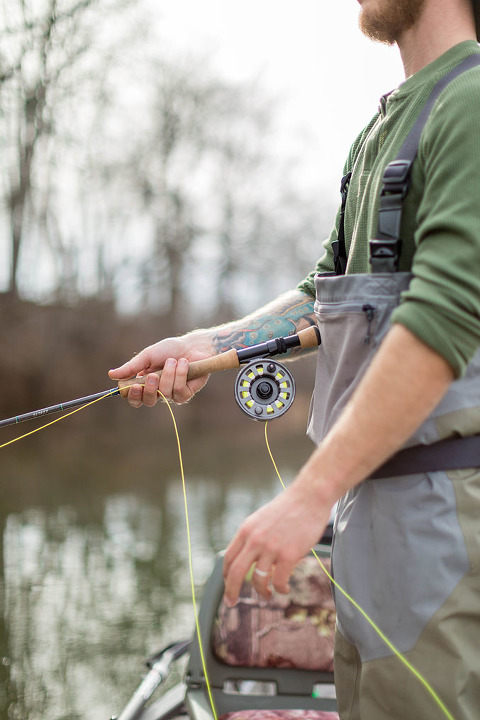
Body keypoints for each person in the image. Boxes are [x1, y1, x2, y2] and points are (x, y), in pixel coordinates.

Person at [109, 1, 480, 717]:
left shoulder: (469, 104)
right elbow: (325, 295)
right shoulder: (383, 127)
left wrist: (307, 496)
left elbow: (442, 319)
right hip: (368, 513)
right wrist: (206, 347)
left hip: (437, 519)